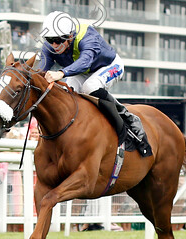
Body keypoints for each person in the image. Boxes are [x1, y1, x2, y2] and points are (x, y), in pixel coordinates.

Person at [39, 10, 151, 156]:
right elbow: (41, 71)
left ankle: (127, 119)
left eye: (59, 40)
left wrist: (60, 73)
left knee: (90, 86)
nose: (54, 44)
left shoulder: (87, 36)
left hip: (109, 66)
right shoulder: (49, 47)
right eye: (49, 39)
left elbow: (85, 62)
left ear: (70, 36)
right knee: (67, 91)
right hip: (83, 72)